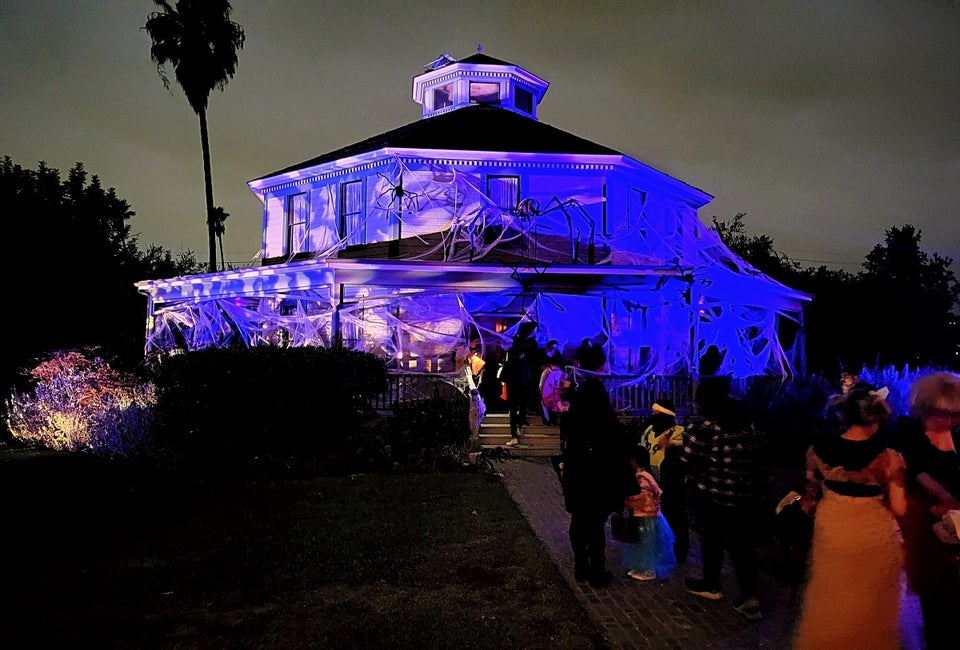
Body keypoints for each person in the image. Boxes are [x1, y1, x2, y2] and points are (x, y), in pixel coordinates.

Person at [792, 387, 907, 650]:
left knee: (833, 592)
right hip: (872, 533)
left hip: (833, 527)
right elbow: (899, 508)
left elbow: (811, 491)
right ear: (877, 418)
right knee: (871, 601)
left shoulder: (816, 450)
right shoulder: (890, 458)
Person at [682, 376, 768, 621]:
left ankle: (711, 584)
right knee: (743, 546)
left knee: (712, 540)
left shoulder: (705, 428)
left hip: (712, 495)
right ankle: (750, 596)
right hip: (745, 496)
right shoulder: (749, 425)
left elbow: (688, 461)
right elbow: (762, 459)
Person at [559, 344, 636, 587]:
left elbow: (569, 436)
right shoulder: (599, 406)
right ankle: (596, 570)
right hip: (598, 473)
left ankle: (581, 566)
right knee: (595, 524)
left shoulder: (576, 405)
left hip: (578, 471)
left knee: (579, 520)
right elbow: (615, 440)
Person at [893, 371, 960, 650]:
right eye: (946, 414)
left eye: (956, 415)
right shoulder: (910, 434)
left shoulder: (958, 433)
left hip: (956, 516)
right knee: (935, 591)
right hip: (925, 520)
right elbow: (917, 471)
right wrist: (945, 500)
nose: (952, 420)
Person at [640, 398, 689, 564]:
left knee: (676, 518)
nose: (653, 417)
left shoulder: (677, 434)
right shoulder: (649, 431)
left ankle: (679, 551)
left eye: (657, 413)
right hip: (651, 484)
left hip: (672, 486)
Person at [620, 445, 677, 581]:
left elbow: (641, 498)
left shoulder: (643, 478)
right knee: (640, 543)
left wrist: (627, 500)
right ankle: (640, 568)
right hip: (645, 515)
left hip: (646, 516)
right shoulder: (645, 476)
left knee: (645, 545)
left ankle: (647, 570)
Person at [499, 341, 531, 447]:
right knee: (522, 410)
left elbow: (502, 377)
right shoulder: (525, 364)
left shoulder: (509, 363)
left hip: (512, 390)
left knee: (513, 413)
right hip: (523, 390)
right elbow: (529, 378)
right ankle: (520, 427)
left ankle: (514, 436)